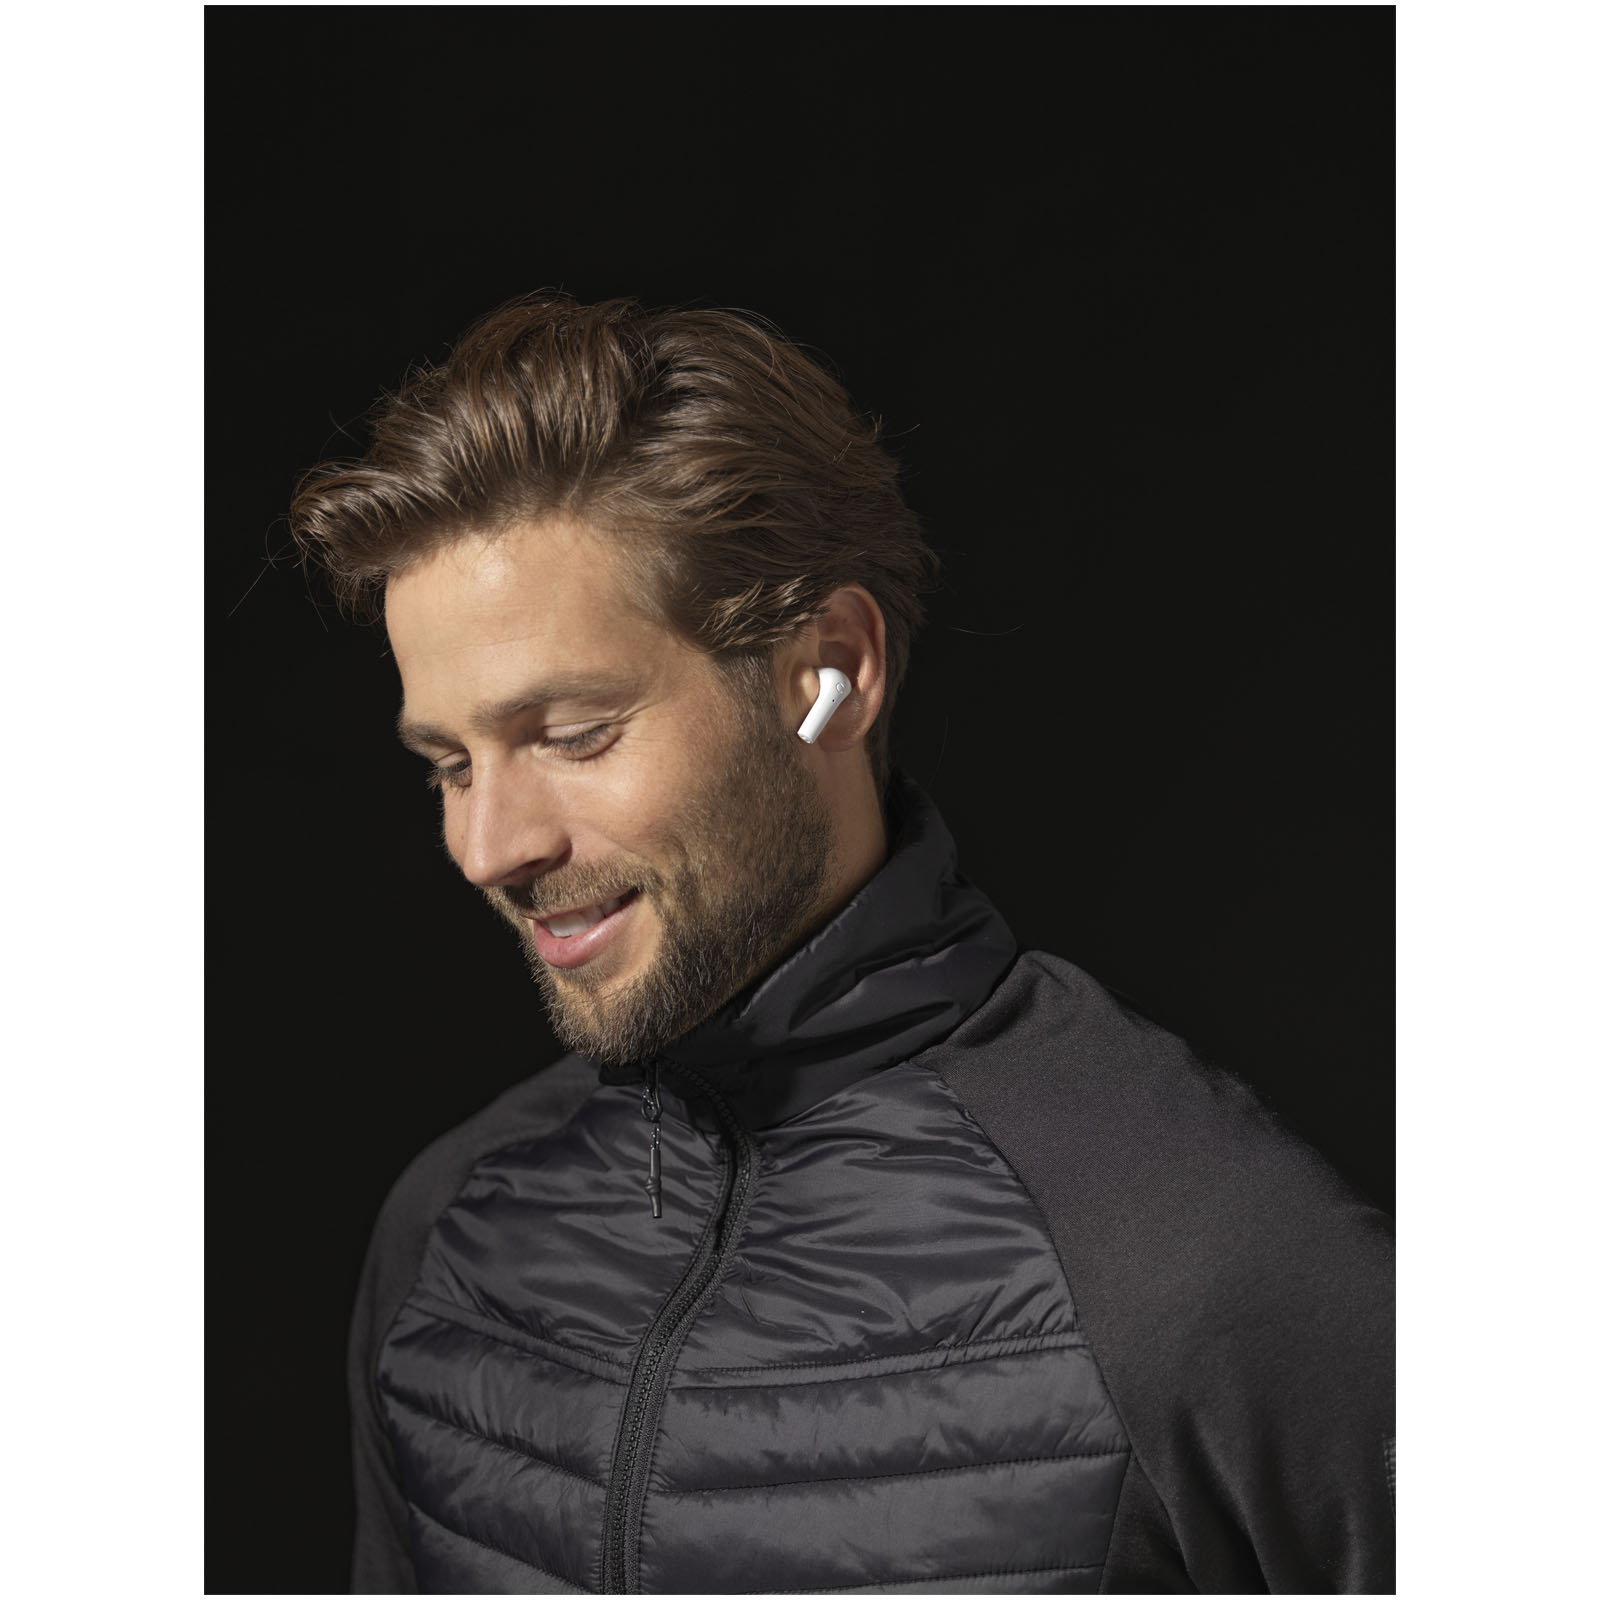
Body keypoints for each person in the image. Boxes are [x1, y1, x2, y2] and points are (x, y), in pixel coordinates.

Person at [290, 293, 1395, 1595]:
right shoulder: (448, 1234)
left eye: (574, 735)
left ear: (831, 672)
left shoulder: (1201, 1268)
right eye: (449, 765)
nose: (490, 847)